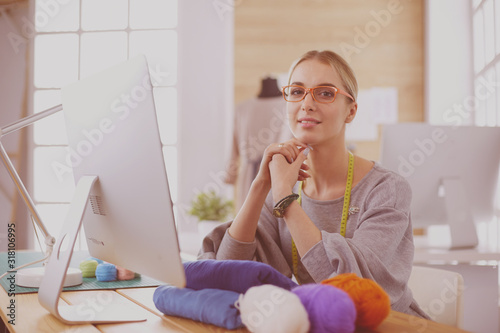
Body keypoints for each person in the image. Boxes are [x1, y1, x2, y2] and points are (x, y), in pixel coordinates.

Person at [199, 50, 429, 318]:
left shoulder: (387, 189)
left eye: (325, 93)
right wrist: (260, 186)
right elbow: (228, 271)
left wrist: (286, 200)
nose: (306, 103)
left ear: (351, 111)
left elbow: (357, 290)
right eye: (297, 91)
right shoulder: (281, 188)